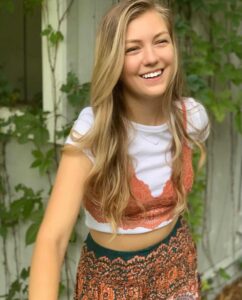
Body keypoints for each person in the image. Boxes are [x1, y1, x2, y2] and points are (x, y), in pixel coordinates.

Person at [29, 0, 210, 299]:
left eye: (160, 41)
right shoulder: (95, 129)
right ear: (113, 59)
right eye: (132, 48)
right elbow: (53, 239)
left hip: (176, 268)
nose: (151, 57)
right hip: (110, 283)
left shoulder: (191, 118)